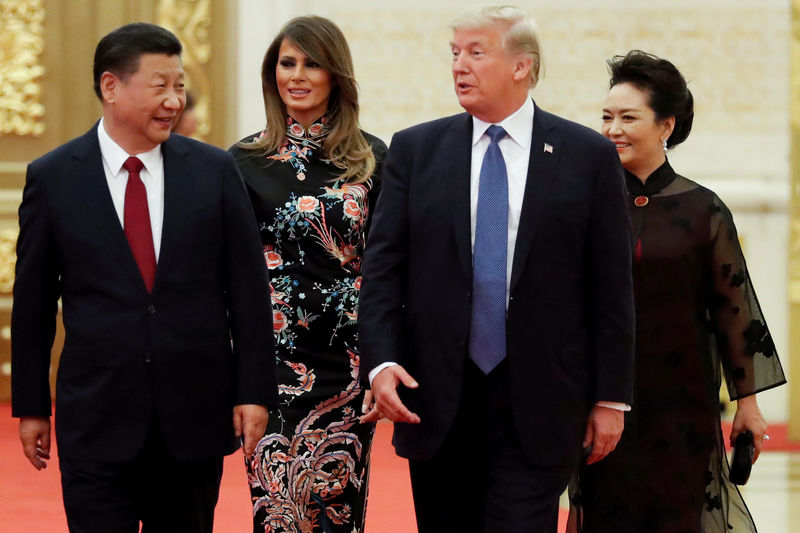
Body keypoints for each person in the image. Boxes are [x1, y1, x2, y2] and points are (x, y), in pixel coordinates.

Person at [358, 6, 635, 532]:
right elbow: (384, 270)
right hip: (435, 400)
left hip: (542, 400)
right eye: (454, 54)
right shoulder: (416, 149)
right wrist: (380, 361)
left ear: (521, 66)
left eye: (476, 52)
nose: (460, 65)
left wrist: (610, 396)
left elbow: (611, 289)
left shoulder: (586, 155)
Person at [10, 22, 277, 533]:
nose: (175, 101)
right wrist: (31, 407)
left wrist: (253, 391)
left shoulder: (214, 172)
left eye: (179, 86)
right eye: (160, 86)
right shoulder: (55, 177)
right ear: (111, 87)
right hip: (97, 416)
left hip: (193, 418)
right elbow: (34, 304)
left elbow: (247, 292)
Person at [569, 50, 786, 533]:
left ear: (666, 125)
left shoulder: (703, 209)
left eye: (628, 117)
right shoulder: (585, 204)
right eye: (606, 117)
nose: (612, 130)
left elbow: (734, 310)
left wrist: (748, 404)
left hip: (684, 401)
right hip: (604, 397)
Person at [229, 16, 387, 533]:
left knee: (337, 513)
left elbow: (387, 268)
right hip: (271, 365)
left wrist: (383, 363)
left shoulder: (372, 158)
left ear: (336, 75)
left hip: (347, 366)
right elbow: (228, 269)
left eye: (311, 63)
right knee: (277, 514)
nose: (296, 75)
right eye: (286, 63)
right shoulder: (242, 162)